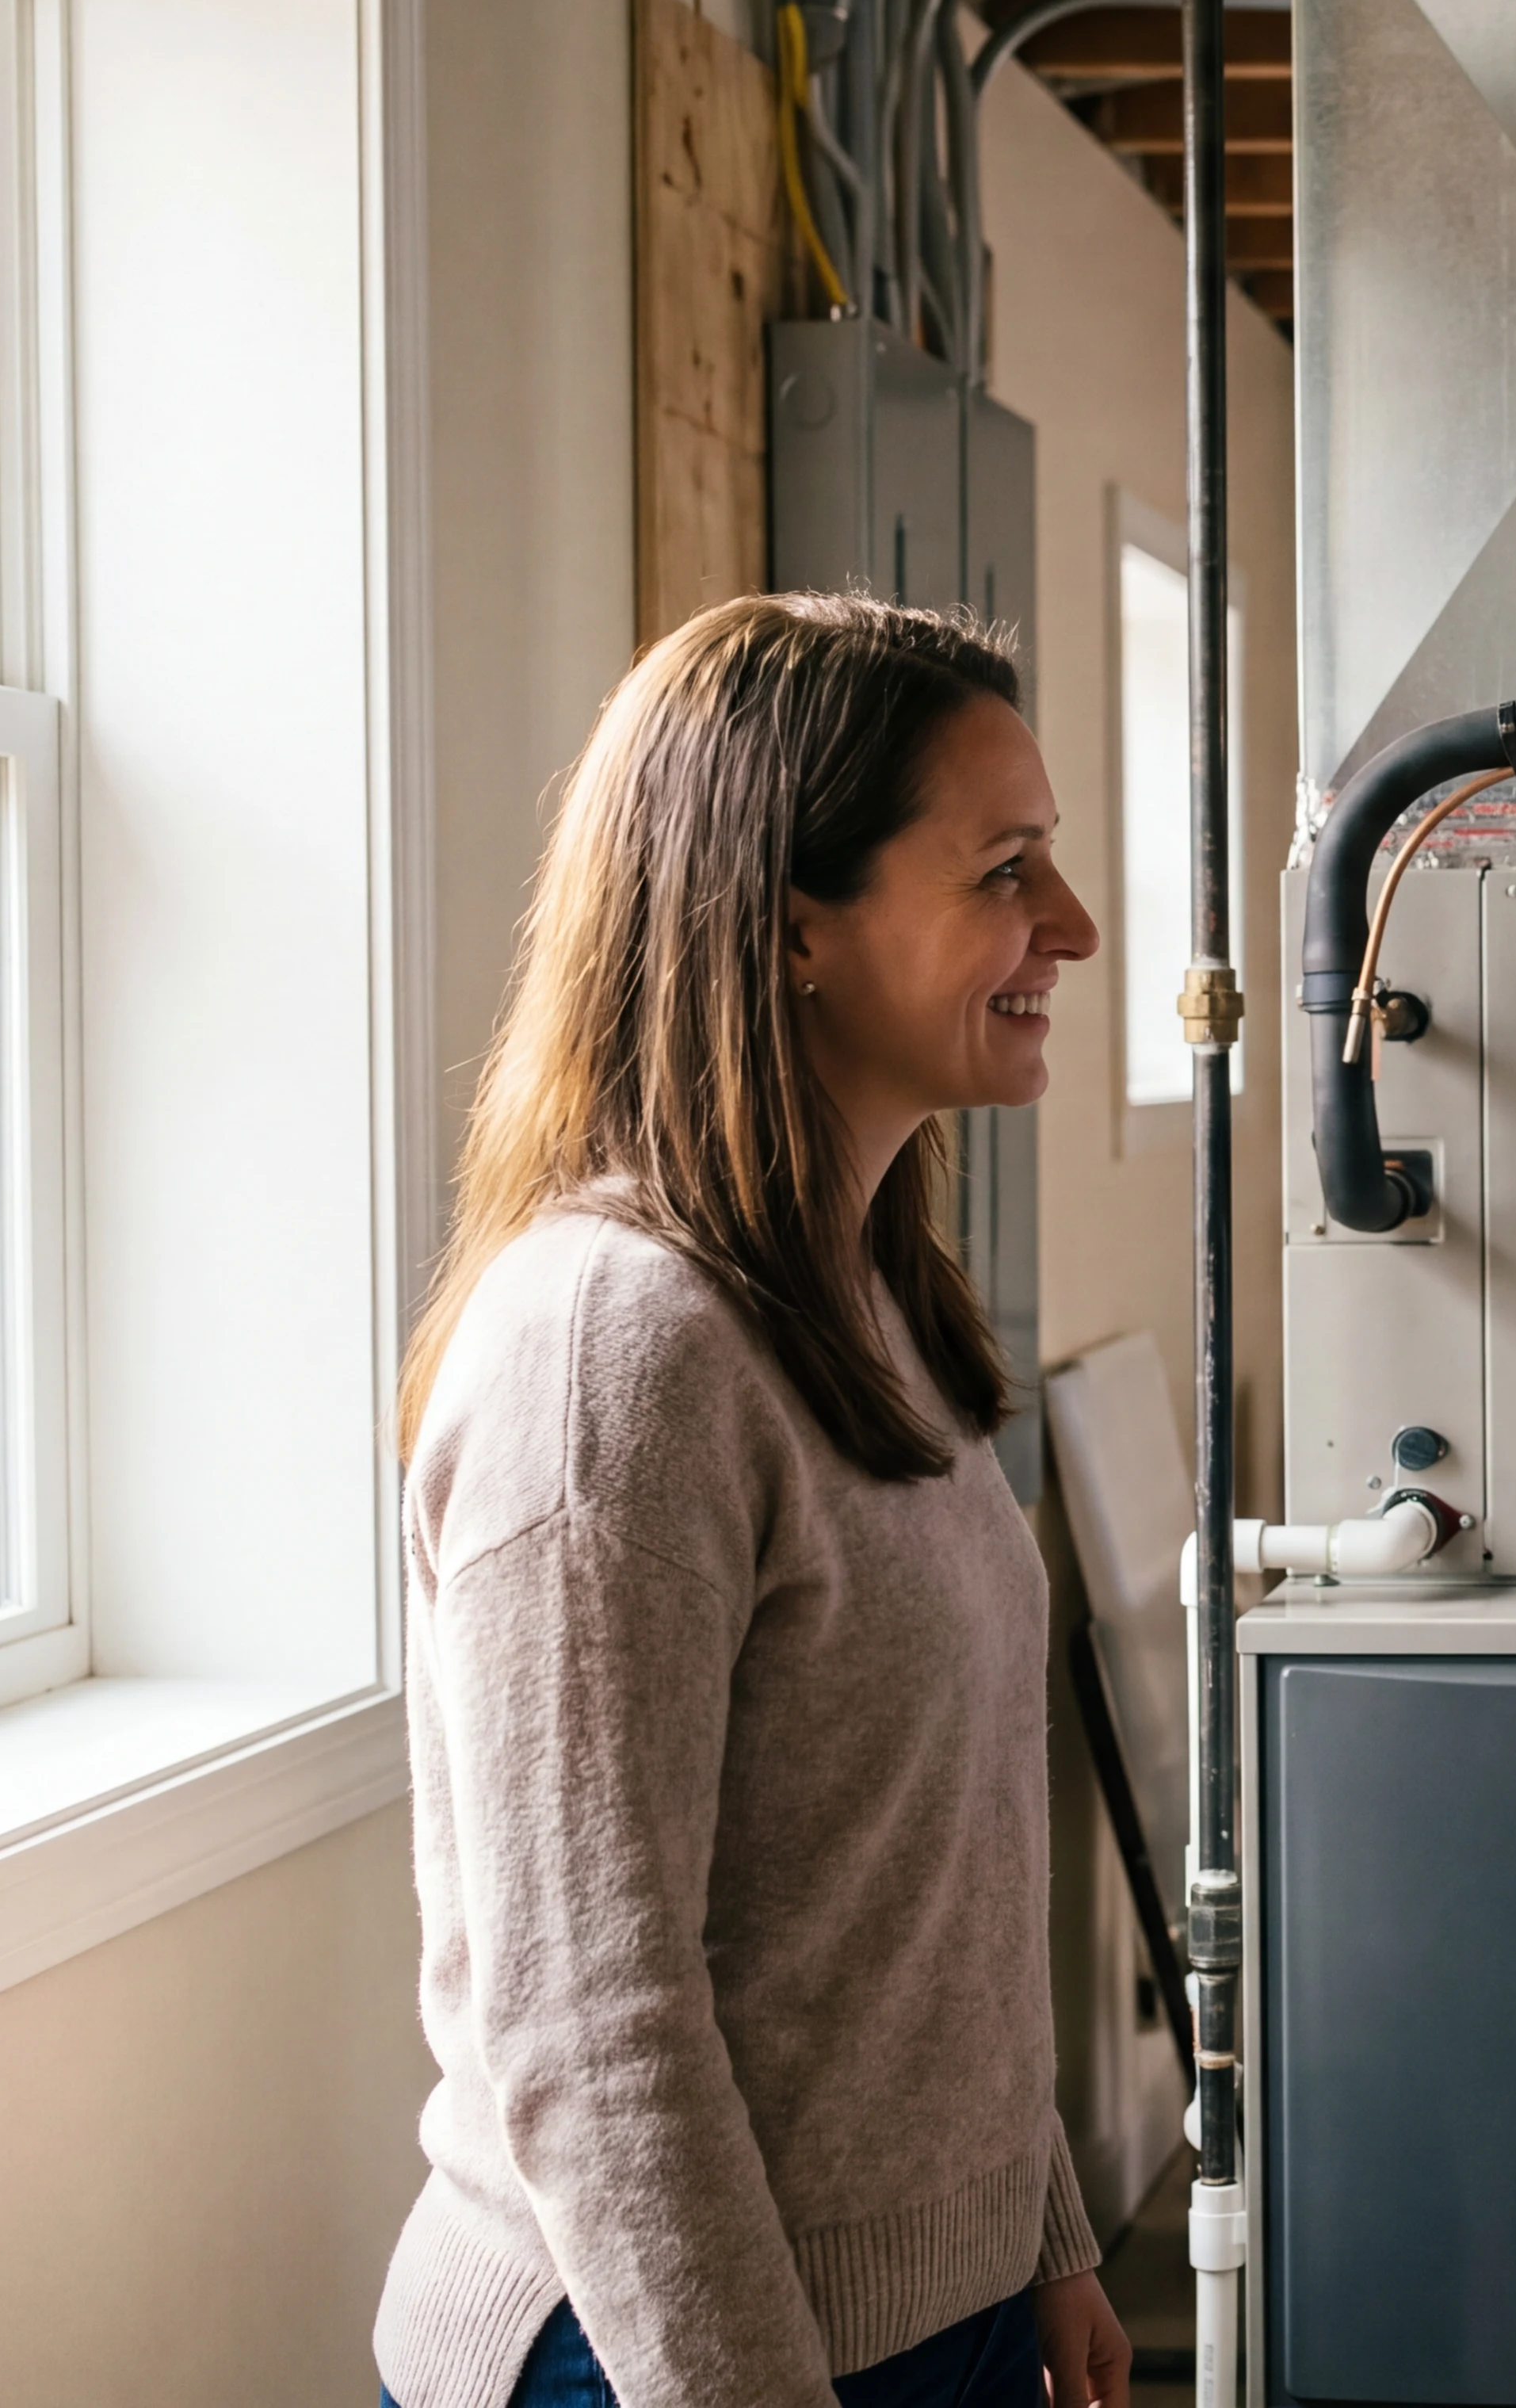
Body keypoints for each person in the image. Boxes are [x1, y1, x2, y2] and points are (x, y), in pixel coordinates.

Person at [374, 595, 1136, 2408]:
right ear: (795, 927)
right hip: (655, 2351)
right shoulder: (611, 1349)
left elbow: (937, 1867)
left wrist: (1037, 2238)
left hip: (918, 2321)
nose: (1075, 930)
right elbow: (585, 2018)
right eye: (1007, 870)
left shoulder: (872, 1294)